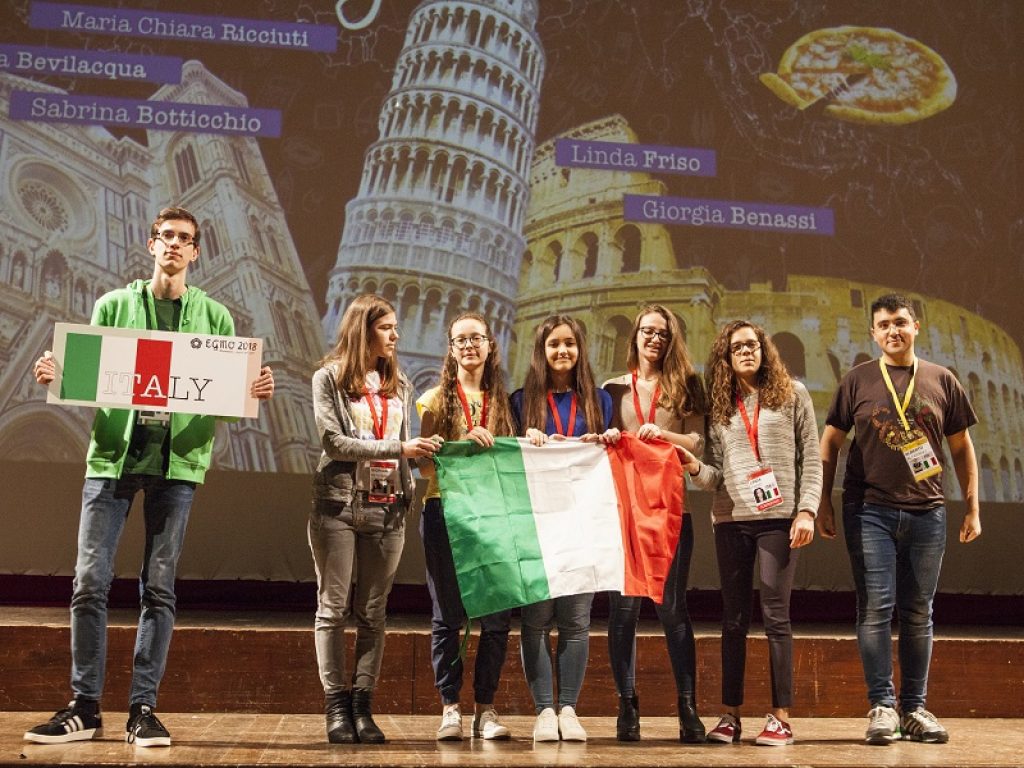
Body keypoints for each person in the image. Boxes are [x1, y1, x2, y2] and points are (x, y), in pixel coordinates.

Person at [26, 206, 275, 747]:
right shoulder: (113, 305)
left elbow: (226, 402)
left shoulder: (215, 317)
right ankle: (85, 706)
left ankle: (142, 708)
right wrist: (57, 374)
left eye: (185, 239)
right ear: (150, 243)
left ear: (196, 251)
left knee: (158, 589)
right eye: (167, 237)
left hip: (175, 466)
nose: (174, 246)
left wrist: (252, 393)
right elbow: (87, 377)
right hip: (113, 458)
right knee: (89, 582)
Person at [818, 293, 981, 746]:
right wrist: (823, 502)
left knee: (918, 612)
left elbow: (962, 448)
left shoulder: (941, 379)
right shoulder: (858, 380)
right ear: (873, 333)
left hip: (928, 511)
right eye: (884, 324)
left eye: (901, 323)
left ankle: (914, 709)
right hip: (868, 510)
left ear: (916, 327)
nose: (893, 331)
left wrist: (972, 506)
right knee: (876, 608)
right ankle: (882, 706)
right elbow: (829, 442)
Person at [678, 320, 821, 746]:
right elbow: (717, 474)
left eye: (753, 344)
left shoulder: (795, 394)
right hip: (732, 519)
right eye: (736, 346)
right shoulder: (721, 406)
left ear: (765, 350)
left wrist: (807, 512)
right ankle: (730, 715)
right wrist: (694, 470)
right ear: (725, 356)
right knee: (734, 619)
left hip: (780, 518)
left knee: (776, 615)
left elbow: (811, 458)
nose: (746, 351)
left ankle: (780, 717)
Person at [309, 294, 440, 744]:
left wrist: (412, 463)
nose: (396, 335)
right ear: (363, 330)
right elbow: (334, 442)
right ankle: (335, 707)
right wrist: (398, 450)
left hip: (389, 507)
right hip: (340, 504)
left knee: (372, 612)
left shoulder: (398, 382)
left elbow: (403, 440)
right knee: (332, 608)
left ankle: (363, 707)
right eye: (386, 328)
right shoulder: (327, 377)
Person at [601, 305, 707, 742]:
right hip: (623, 514)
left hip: (670, 512)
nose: (654, 339)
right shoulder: (612, 388)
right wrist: (607, 434)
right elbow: (597, 441)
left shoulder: (687, 386)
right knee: (622, 612)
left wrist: (663, 435)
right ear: (636, 336)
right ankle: (627, 705)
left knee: (673, 611)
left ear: (672, 339)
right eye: (647, 331)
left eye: (663, 334)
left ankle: (688, 708)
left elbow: (696, 441)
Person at [510, 314, 618, 743]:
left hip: (582, 522)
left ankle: (569, 708)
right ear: (542, 350)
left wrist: (605, 442)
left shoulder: (600, 401)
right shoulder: (520, 402)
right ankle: (542, 711)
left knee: (575, 620)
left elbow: (611, 455)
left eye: (570, 343)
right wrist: (526, 439)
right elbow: (508, 459)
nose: (562, 351)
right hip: (537, 523)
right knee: (536, 619)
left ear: (580, 349)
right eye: (554, 344)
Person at [416, 312, 517, 741]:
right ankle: (451, 707)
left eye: (477, 338)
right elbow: (423, 464)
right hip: (445, 510)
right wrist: (460, 444)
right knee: (448, 616)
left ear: (490, 345)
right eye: (461, 340)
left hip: (494, 514)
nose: (470, 346)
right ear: (451, 348)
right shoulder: (434, 399)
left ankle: (486, 708)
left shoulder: (507, 403)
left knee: (495, 617)